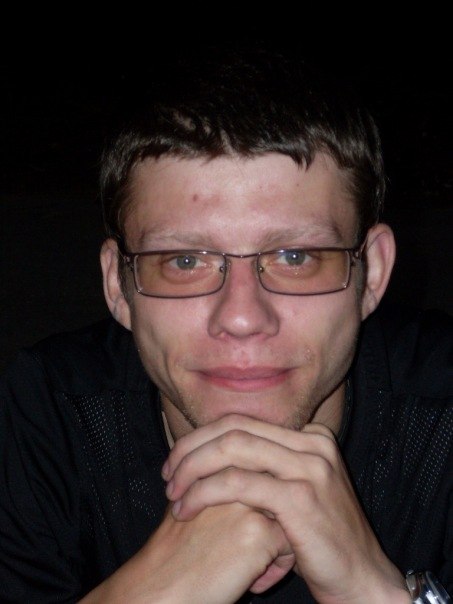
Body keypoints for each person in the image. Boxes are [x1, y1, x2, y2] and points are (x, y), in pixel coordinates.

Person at [1, 47, 452, 604]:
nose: (241, 318)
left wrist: (372, 591)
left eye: (295, 257)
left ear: (373, 273)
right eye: (184, 261)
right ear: (119, 285)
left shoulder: (443, 418)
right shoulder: (48, 415)